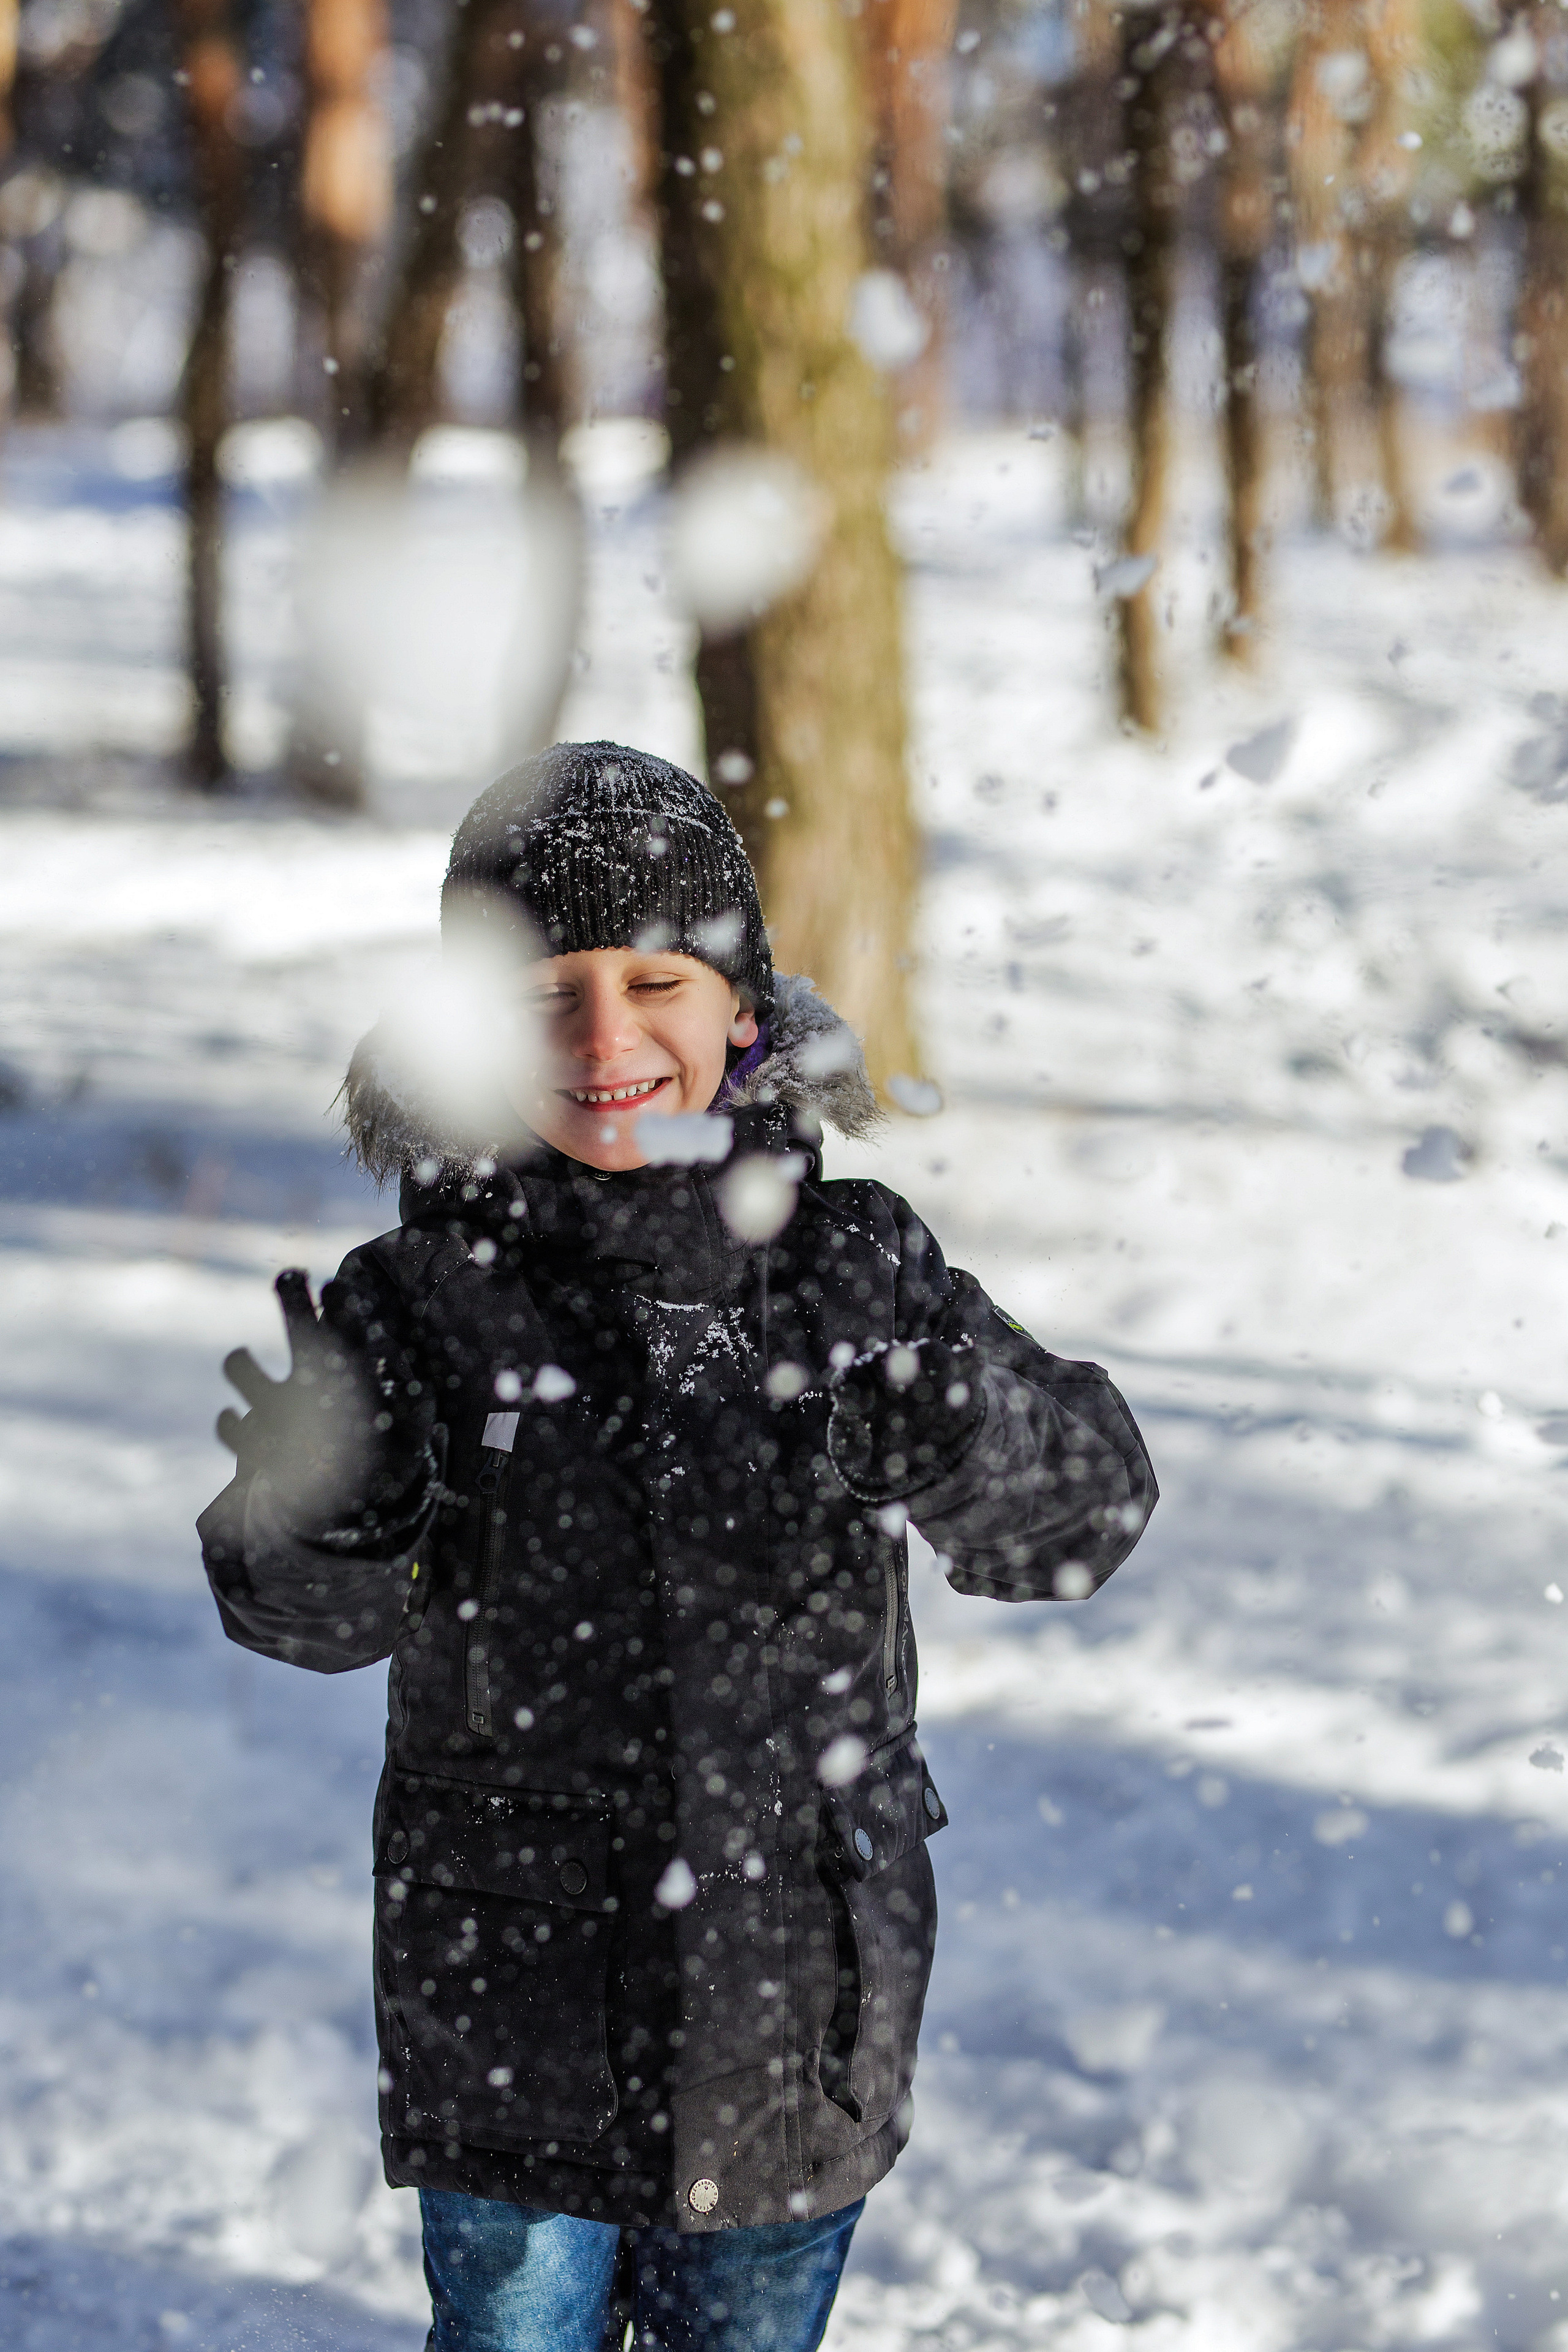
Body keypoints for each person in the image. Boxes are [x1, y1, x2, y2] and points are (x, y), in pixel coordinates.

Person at [199, 741, 1158, 2352]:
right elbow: (298, 1611)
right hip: (512, 1983)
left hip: (790, 1980)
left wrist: (950, 1424)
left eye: (657, 980)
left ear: (744, 1008)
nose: (605, 1036)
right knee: (514, 2327)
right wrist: (324, 1504)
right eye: (543, 994)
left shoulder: (850, 1266)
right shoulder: (417, 1304)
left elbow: (1084, 1511)